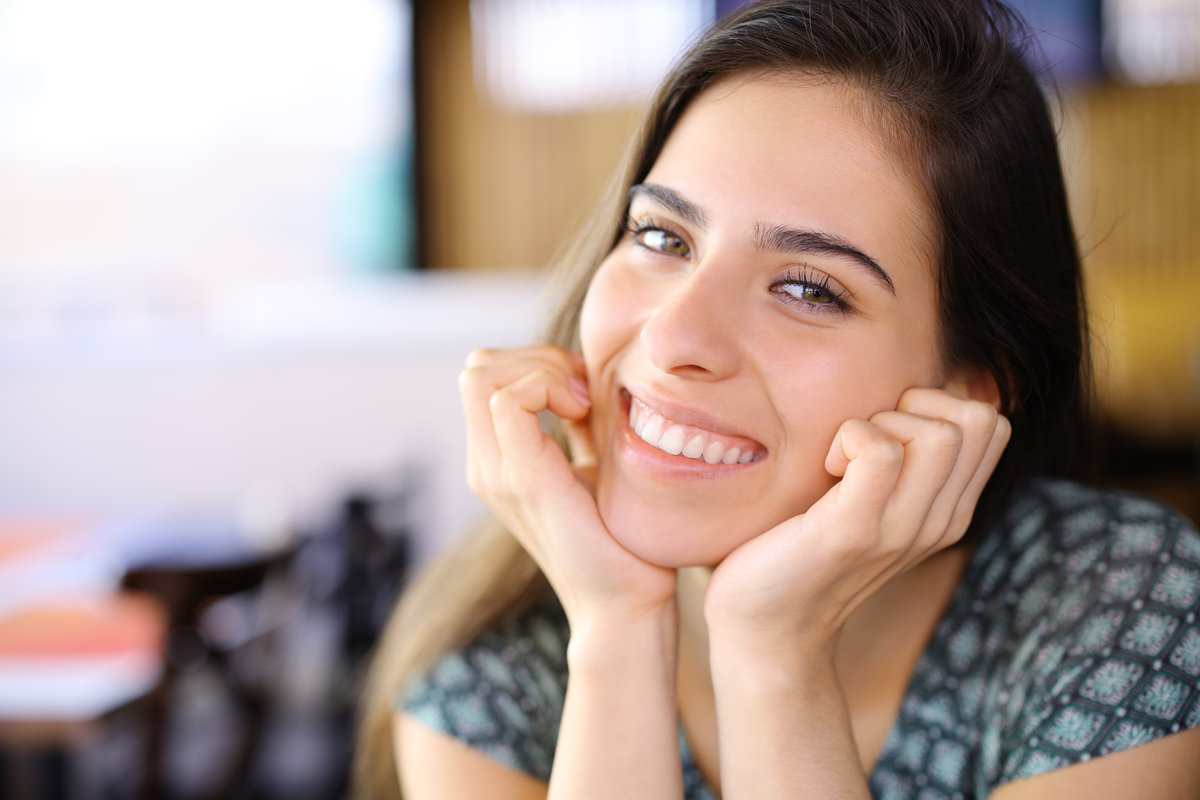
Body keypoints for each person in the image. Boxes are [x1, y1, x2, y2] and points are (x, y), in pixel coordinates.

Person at [355, 0, 1200, 797]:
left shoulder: (1115, 601)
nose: (674, 337)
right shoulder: (486, 664)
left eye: (807, 288)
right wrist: (617, 632)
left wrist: (775, 656)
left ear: (972, 390)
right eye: (661, 236)